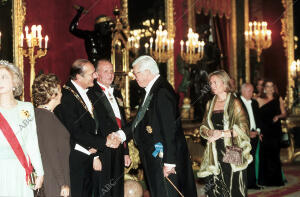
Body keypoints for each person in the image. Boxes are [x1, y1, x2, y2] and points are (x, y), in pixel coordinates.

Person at [111, 55, 197, 197]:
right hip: (153, 157)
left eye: (136, 73)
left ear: (147, 72)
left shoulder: (162, 92)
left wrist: (169, 163)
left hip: (163, 158)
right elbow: (138, 121)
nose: (134, 77)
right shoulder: (152, 90)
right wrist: (120, 135)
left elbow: (170, 130)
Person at [54, 59, 119, 196]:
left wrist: (108, 137)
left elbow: (98, 122)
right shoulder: (66, 97)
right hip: (75, 160)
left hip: (89, 156)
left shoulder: (88, 92)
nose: (95, 76)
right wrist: (104, 142)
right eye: (92, 74)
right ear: (78, 77)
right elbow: (75, 132)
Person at [197, 70, 252, 197]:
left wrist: (221, 133)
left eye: (215, 82)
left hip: (232, 148)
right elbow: (203, 126)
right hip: (214, 150)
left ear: (224, 83)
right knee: (215, 186)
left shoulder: (235, 102)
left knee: (233, 185)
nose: (212, 85)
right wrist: (210, 132)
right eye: (210, 83)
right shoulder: (210, 104)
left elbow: (244, 128)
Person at [0, 60, 44, 196]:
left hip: (21, 169)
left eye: (4, 77)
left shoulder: (26, 108)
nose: (0, 81)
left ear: (14, 82)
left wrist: (40, 172)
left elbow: (32, 142)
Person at [88, 59, 131, 197]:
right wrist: (94, 156)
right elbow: (92, 126)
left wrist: (125, 151)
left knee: (117, 190)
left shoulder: (116, 93)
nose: (110, 74)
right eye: (106, 71)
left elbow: (122, 124)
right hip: (103, 149)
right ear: (97, 74)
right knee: (103, 190)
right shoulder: (91, 93)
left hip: (118, 148)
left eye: (112, 71)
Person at [32, 74, 70, 196]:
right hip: (53, 181)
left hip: (49, 177)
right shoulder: (46, 118)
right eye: (59, 91)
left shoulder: (39, 114)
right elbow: (51, 152)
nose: (62, 94)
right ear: (52, 95)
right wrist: (62, 183)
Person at [256, 80, 287, 186]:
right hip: (264, 131)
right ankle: (265, 181)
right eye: (267, 86)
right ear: (264, 88)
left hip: (275, 130)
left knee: (275, 155)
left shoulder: (279, 99)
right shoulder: (258, 100)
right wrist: (258, 131)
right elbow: (257, 118)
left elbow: (284, 114)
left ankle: (276, 181)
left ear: (274, 88)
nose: (269, 88)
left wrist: (278, 116)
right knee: (264, 156)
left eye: (271, 86)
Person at [240, 83, 262, 189]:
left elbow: (258, 119)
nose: (251, 93)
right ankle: (243, 183)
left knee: (252, 159)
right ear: (243, 91)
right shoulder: (237, 103)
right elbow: (236, 121)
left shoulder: (254, 103)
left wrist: (257, 131)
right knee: (243, 160)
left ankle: (252, 183)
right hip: (242, 135)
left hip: (255, 134)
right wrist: (247, 132)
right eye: (249, 91)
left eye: (252, 91)